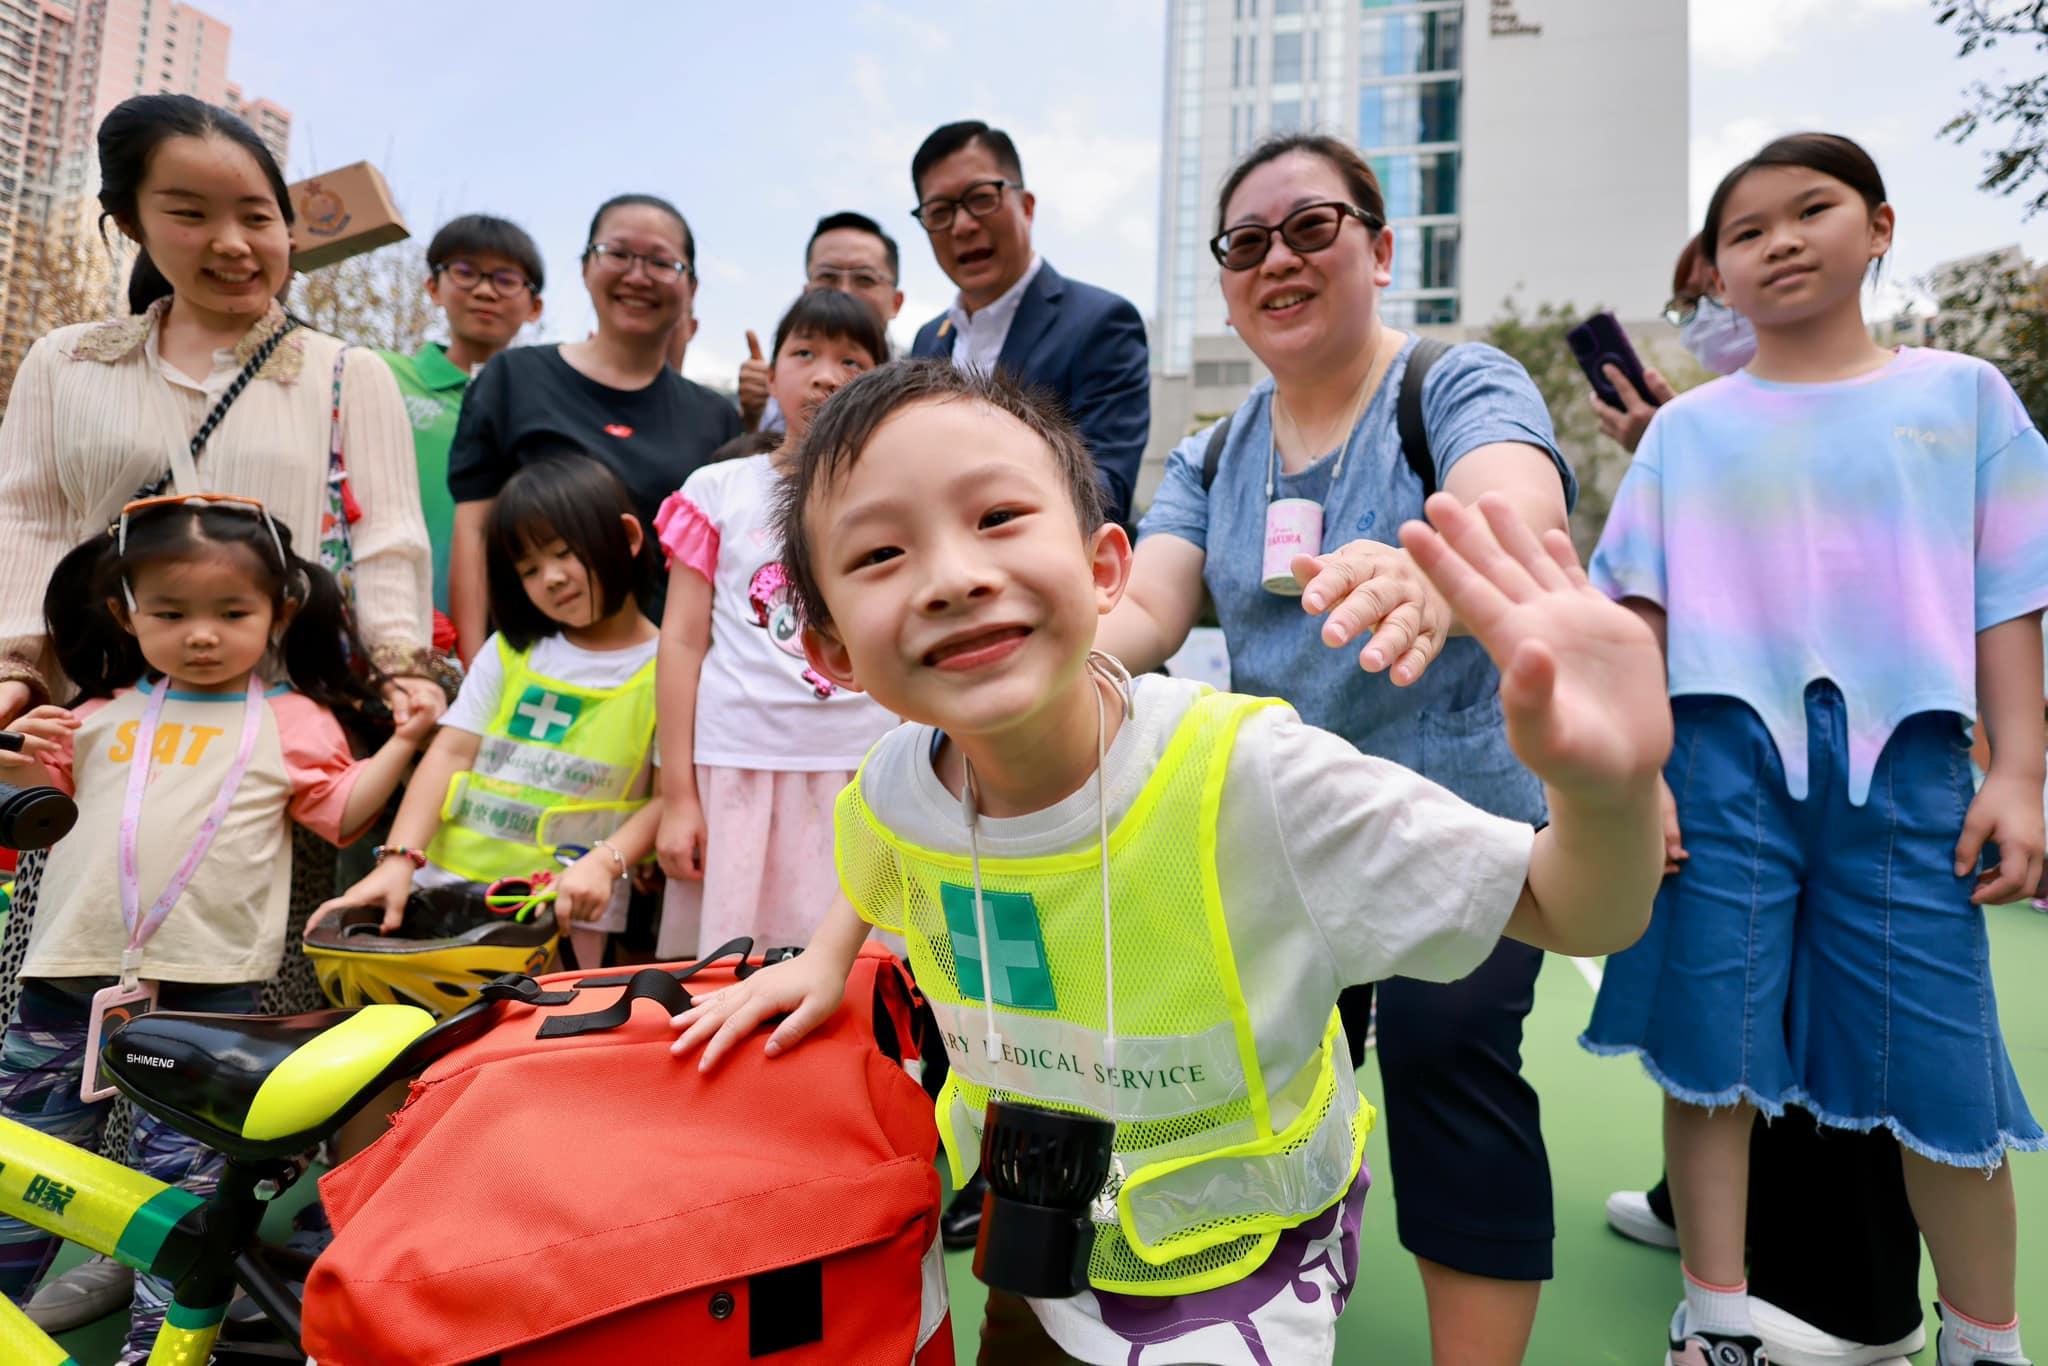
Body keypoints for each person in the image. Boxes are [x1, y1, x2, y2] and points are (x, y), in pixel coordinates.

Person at [669, 360, 1668, 1366]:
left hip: (1238, 1273)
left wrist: (1605, 792)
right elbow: (884, 842)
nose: (952, 576)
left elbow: (1571, 910)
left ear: (1107, 567)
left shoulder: (1251, 778)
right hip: (1034, 1226)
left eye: (998, 516)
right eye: (881, 551)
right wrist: (820, 958)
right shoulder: (898, 775)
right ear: (831, 649)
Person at [1095, 133, 1574, 1365]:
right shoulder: (1210, 453)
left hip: (1457, 828)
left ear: (1378, 244)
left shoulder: (1452, 381)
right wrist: (1056, 659)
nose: (1277, 261)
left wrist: (1435, 562)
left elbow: (1515, 501)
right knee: (1271, 1086)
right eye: (1243, 244)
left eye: (1309, 228)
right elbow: (1145, 610)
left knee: (1445, 1075)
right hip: (1281, 837)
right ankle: (1276, 1321)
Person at [1582, 132, 2047, 1366]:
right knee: (1710, 1055)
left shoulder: (1961, 400)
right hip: (1717, 767)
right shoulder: (1685, 435)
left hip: (1906, 779)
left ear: (1879, 226)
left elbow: (2005, 597)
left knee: (1942, 1071)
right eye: (1743, 231)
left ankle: (1985, 1341)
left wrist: (2015, 771)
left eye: (1810, 209)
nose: (1778, 241)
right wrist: (1638, 782)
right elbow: (1633, 617)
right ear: (1714, 278)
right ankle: (1718, 1316)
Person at [0, 101, 438, 1325]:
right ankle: (60, 1236)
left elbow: (391, 539)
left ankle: (175, 1266)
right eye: (189, 212)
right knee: (63, 988)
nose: (233, 242)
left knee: (230, 1007)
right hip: (102, 732)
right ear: (130, 220)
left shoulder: (345, 374)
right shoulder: (67, 362)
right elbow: (25, 521)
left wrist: (404, 672)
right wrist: (15, 678)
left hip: (266, 737)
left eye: (258, 214)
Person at [1595, 240, 1930, 1366]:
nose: (1706, 314)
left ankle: (1852, 1300)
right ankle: (1707, 1240)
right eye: (1691, 294)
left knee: (1848, 1023)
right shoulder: (1699, 433)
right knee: (1715, 1015)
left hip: (1845, 751)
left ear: (1870, 235)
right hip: (1722, 741)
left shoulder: (1913, 405)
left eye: (1708, 294)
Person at [0, 496, 431, 1361]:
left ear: (282, 610)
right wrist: (12, 749)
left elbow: (341, 817)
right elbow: (25, 820)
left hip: (211, 998)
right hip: (64, 983)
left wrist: (406, 743)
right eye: (170, 613)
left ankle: (156, 1351)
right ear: (124, 611)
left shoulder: (296, 722)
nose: (202, 634)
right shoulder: (91, 715)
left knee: (184, 1198)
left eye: (232, 614)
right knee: (23, 1171)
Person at [318, 454, 665, 973]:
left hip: (563, 917)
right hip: (442, 894)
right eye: (528, 569)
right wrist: (399, 861)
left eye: (563, 553)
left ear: (629, 538)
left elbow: (670, 800)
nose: (550, 578)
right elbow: (450, 753)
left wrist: (606, 861)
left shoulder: (672, 670)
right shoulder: (509, 652)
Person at [651, 289, 899, 960]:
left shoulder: (900, 491)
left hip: (868, 769)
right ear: (773, 371)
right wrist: (678, 798)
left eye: (852, 360)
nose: (825, 375)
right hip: (739, 766)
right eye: (805, 353)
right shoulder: (717, 489)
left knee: (867, 979)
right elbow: (680, 642)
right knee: (731, 971)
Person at [447, 193, 741, 660]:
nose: (638, 276)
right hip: (528, 669)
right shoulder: (513, 379)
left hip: (656, 681)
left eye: (662, 263)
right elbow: (474, 532)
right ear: (586, 267)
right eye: (618, 254)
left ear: (692, 287)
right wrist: (472, 670)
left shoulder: (716, 417)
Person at [905, 121, 1149, 527]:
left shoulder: (1103, 322)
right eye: (940, 212)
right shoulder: (928, 339)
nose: (962, 225)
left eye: (981, 198)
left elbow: (1105, 489)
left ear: (1027, 206)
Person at [379, 214, 546, 625]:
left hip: (507, 635)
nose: (485, 291)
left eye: (506, 279)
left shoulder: (547, 407)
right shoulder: (380, 376)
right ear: (433, 287)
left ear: (534, 306)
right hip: (385, 621)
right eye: (466, 273)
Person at [737, 210, 906, 435]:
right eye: (828, 277)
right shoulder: (778, 384)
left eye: (865, 279)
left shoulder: (917, 389)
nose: (844, 291)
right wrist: (752, 417)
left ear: (896, 302)